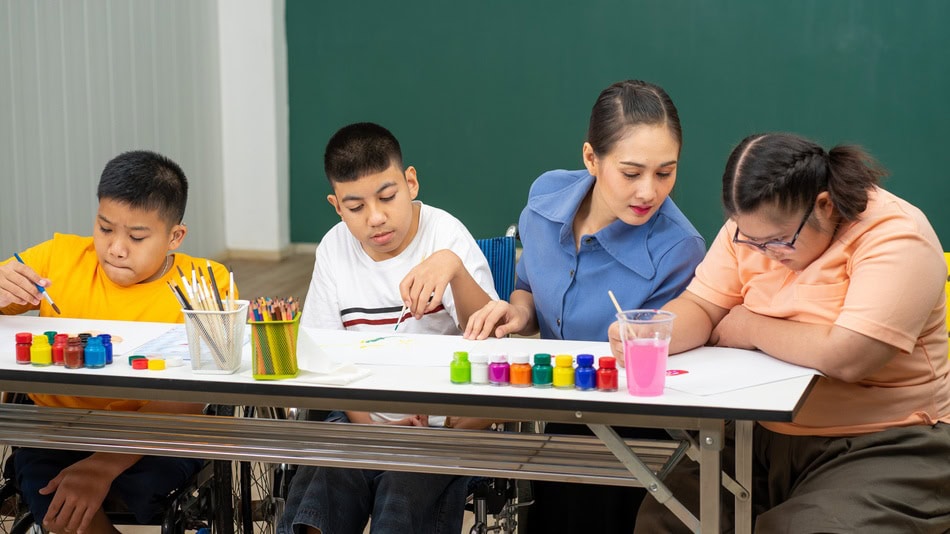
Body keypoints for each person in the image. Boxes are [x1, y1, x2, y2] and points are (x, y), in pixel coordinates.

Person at [615, 133, 950, 533]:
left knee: (809, 527)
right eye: (749, 240)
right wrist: (651, 331)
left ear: (823, 205)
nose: (765, 252)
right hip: (759, 434)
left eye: (778, 242)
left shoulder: (895, 235)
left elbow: (848, 356)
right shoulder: (755, 229)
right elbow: (702, 307)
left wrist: (750, 325)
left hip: (886, 440)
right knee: (667, 518)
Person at [466, 80, 706, 533]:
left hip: (632, 440)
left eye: (666, 172)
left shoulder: (679, 248)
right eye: (631, 173)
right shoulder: (544, 200)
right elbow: (528, 282)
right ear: (590, 158)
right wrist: (520, 311)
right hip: (552, 418)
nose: (649, 192)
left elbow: (662, 366)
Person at [280, 122, 499, 534]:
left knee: (402, 492)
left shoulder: (445, 235)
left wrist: (452, 267)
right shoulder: (333, 248)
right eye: (356, 207)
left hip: (437, 428)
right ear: (336, 206)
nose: (376, 218)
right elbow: (324, 359)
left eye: (387, 197)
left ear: (411, 182)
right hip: (359, 419)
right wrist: (373, 428)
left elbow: (489, 341)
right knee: (324, 484)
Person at [0, 150, 234, 534]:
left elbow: (189, 398)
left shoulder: (205, 285)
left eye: (137, 236)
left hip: (155, 436)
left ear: (175, 237)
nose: (116, 247)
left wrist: (101, 465)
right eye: (105, 228)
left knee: (125, 488)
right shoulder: (59, 258)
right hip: (55, 432)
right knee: (57, 498)